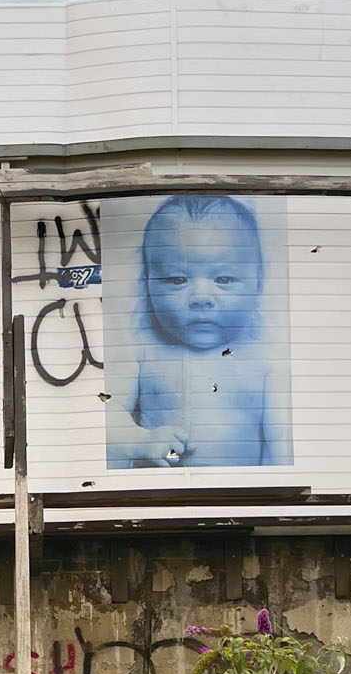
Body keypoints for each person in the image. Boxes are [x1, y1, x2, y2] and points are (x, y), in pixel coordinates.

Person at [109, 194, 292, 468]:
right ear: (146, 282)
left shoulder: (264, 359)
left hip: (241, 497)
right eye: (177, 279)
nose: (201, 297)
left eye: (224, 279)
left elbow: (281, 449)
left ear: (258, 281)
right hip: (156, 500)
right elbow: (104, 412)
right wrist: (139, 441)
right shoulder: (141, 348)